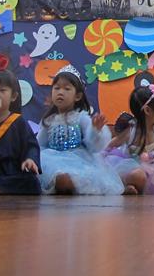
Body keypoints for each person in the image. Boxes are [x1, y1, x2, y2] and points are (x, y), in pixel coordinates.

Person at [37, 67, 124, 195]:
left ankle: (69, 188)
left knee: (71, 180)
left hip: (79, 162)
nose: (60, 92)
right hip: (52, 161)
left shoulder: (81, 117)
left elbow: (94, 146)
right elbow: (39, 144)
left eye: (67, 89)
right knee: (59, 179)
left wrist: (95, 130)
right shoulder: (49, 120)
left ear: (77, 96)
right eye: (57, 88)